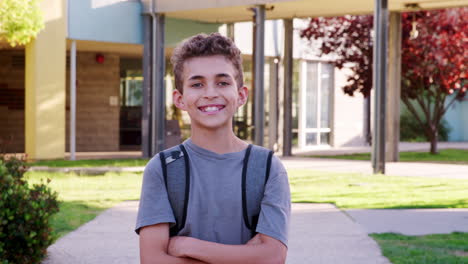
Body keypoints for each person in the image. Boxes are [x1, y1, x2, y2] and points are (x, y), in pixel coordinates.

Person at [135, 32, 291, 264]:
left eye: (223, 82)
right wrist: (246, 256)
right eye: (197, 84)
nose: (210, 93)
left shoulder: (267, 168)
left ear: (240, 95)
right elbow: (152, 260)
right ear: (180, 99)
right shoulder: (163, 169)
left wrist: (187, 246)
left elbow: (272, 258)